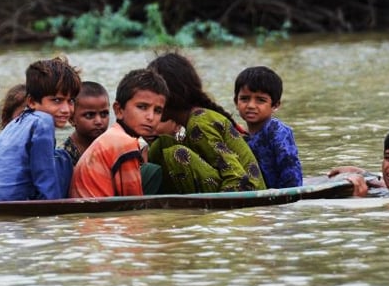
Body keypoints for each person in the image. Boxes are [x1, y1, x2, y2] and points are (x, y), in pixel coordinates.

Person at [146, 52, 267, 194]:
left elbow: (237, 179)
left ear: (171, 94)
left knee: (176, 154)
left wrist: (213, 216)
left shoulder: (200, 124)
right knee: (161, 146)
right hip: (229, 187)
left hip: (247, 194)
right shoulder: (192, 122)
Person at [0, 56, 81, 202]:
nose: (66, 109)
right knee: (62, 158)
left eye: (70, 101)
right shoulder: (43, 121)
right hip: (16, 206)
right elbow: (45, 177)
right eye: (57, 100)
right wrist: (56, 214)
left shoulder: (12, 126)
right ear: (32, 102)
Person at [70, 68, 169, 198]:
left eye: (157, 110)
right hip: (96, 216)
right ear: (119, 110)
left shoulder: (114, 135)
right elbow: (133, 203)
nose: (150, 117)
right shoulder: (124, 143)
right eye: (142, 107)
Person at [234, 66, 303, 188]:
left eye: (260, 100)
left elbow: (291, 170)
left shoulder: (278, 131)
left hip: (280, 196)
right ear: (236, 102)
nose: (250, 105)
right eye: (244, 99)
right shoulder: (240, 137)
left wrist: (286, 198)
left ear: (275, 105)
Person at [63, 81, 110, 165]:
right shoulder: (65, 157)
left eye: (104, 114)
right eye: (89, 115)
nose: (99, 121)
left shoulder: (112, 147)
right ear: (72, 119)